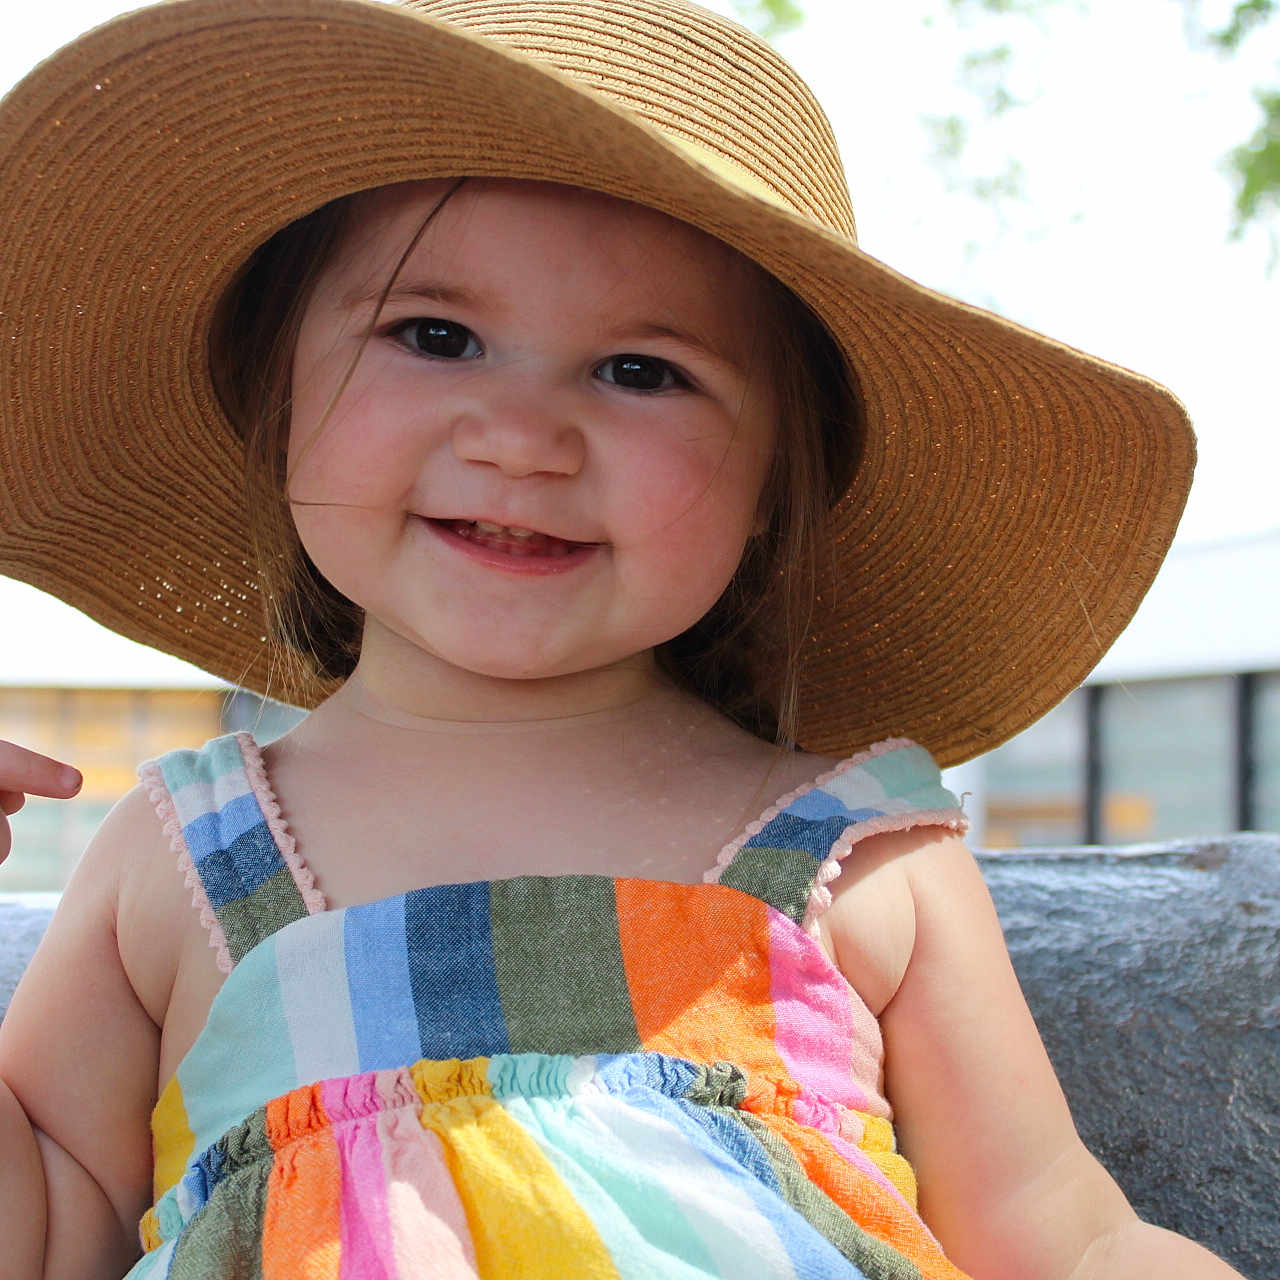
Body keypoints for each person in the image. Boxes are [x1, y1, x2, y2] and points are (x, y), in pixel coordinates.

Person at [0, 1, 1245, 1277]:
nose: (522, 435)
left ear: (775, 484)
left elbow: (1063, 1231)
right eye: (435, 336)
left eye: (641, 371)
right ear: (275, 399)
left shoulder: (860, 855)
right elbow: (40, 1231)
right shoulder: (174, 857)